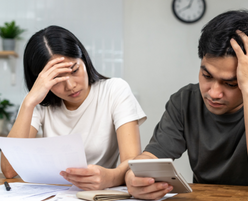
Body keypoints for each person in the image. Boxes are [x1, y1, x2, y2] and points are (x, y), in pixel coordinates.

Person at [125, 10, 248, 199]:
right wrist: (133, 177)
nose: (213, 93)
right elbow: (150, 158)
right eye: (207, 76)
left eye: (231, 84)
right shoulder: (184, 101)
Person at [1, 25, 146, 190]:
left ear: (84, 59)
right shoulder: (39, 102)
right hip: (53, 193)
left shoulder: (114, 90)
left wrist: (110, 178)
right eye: (56, 79)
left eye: (74, 70)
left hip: (101, 193)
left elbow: (132, 162)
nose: (70, 86)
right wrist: (29, 103)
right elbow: (9, 170)